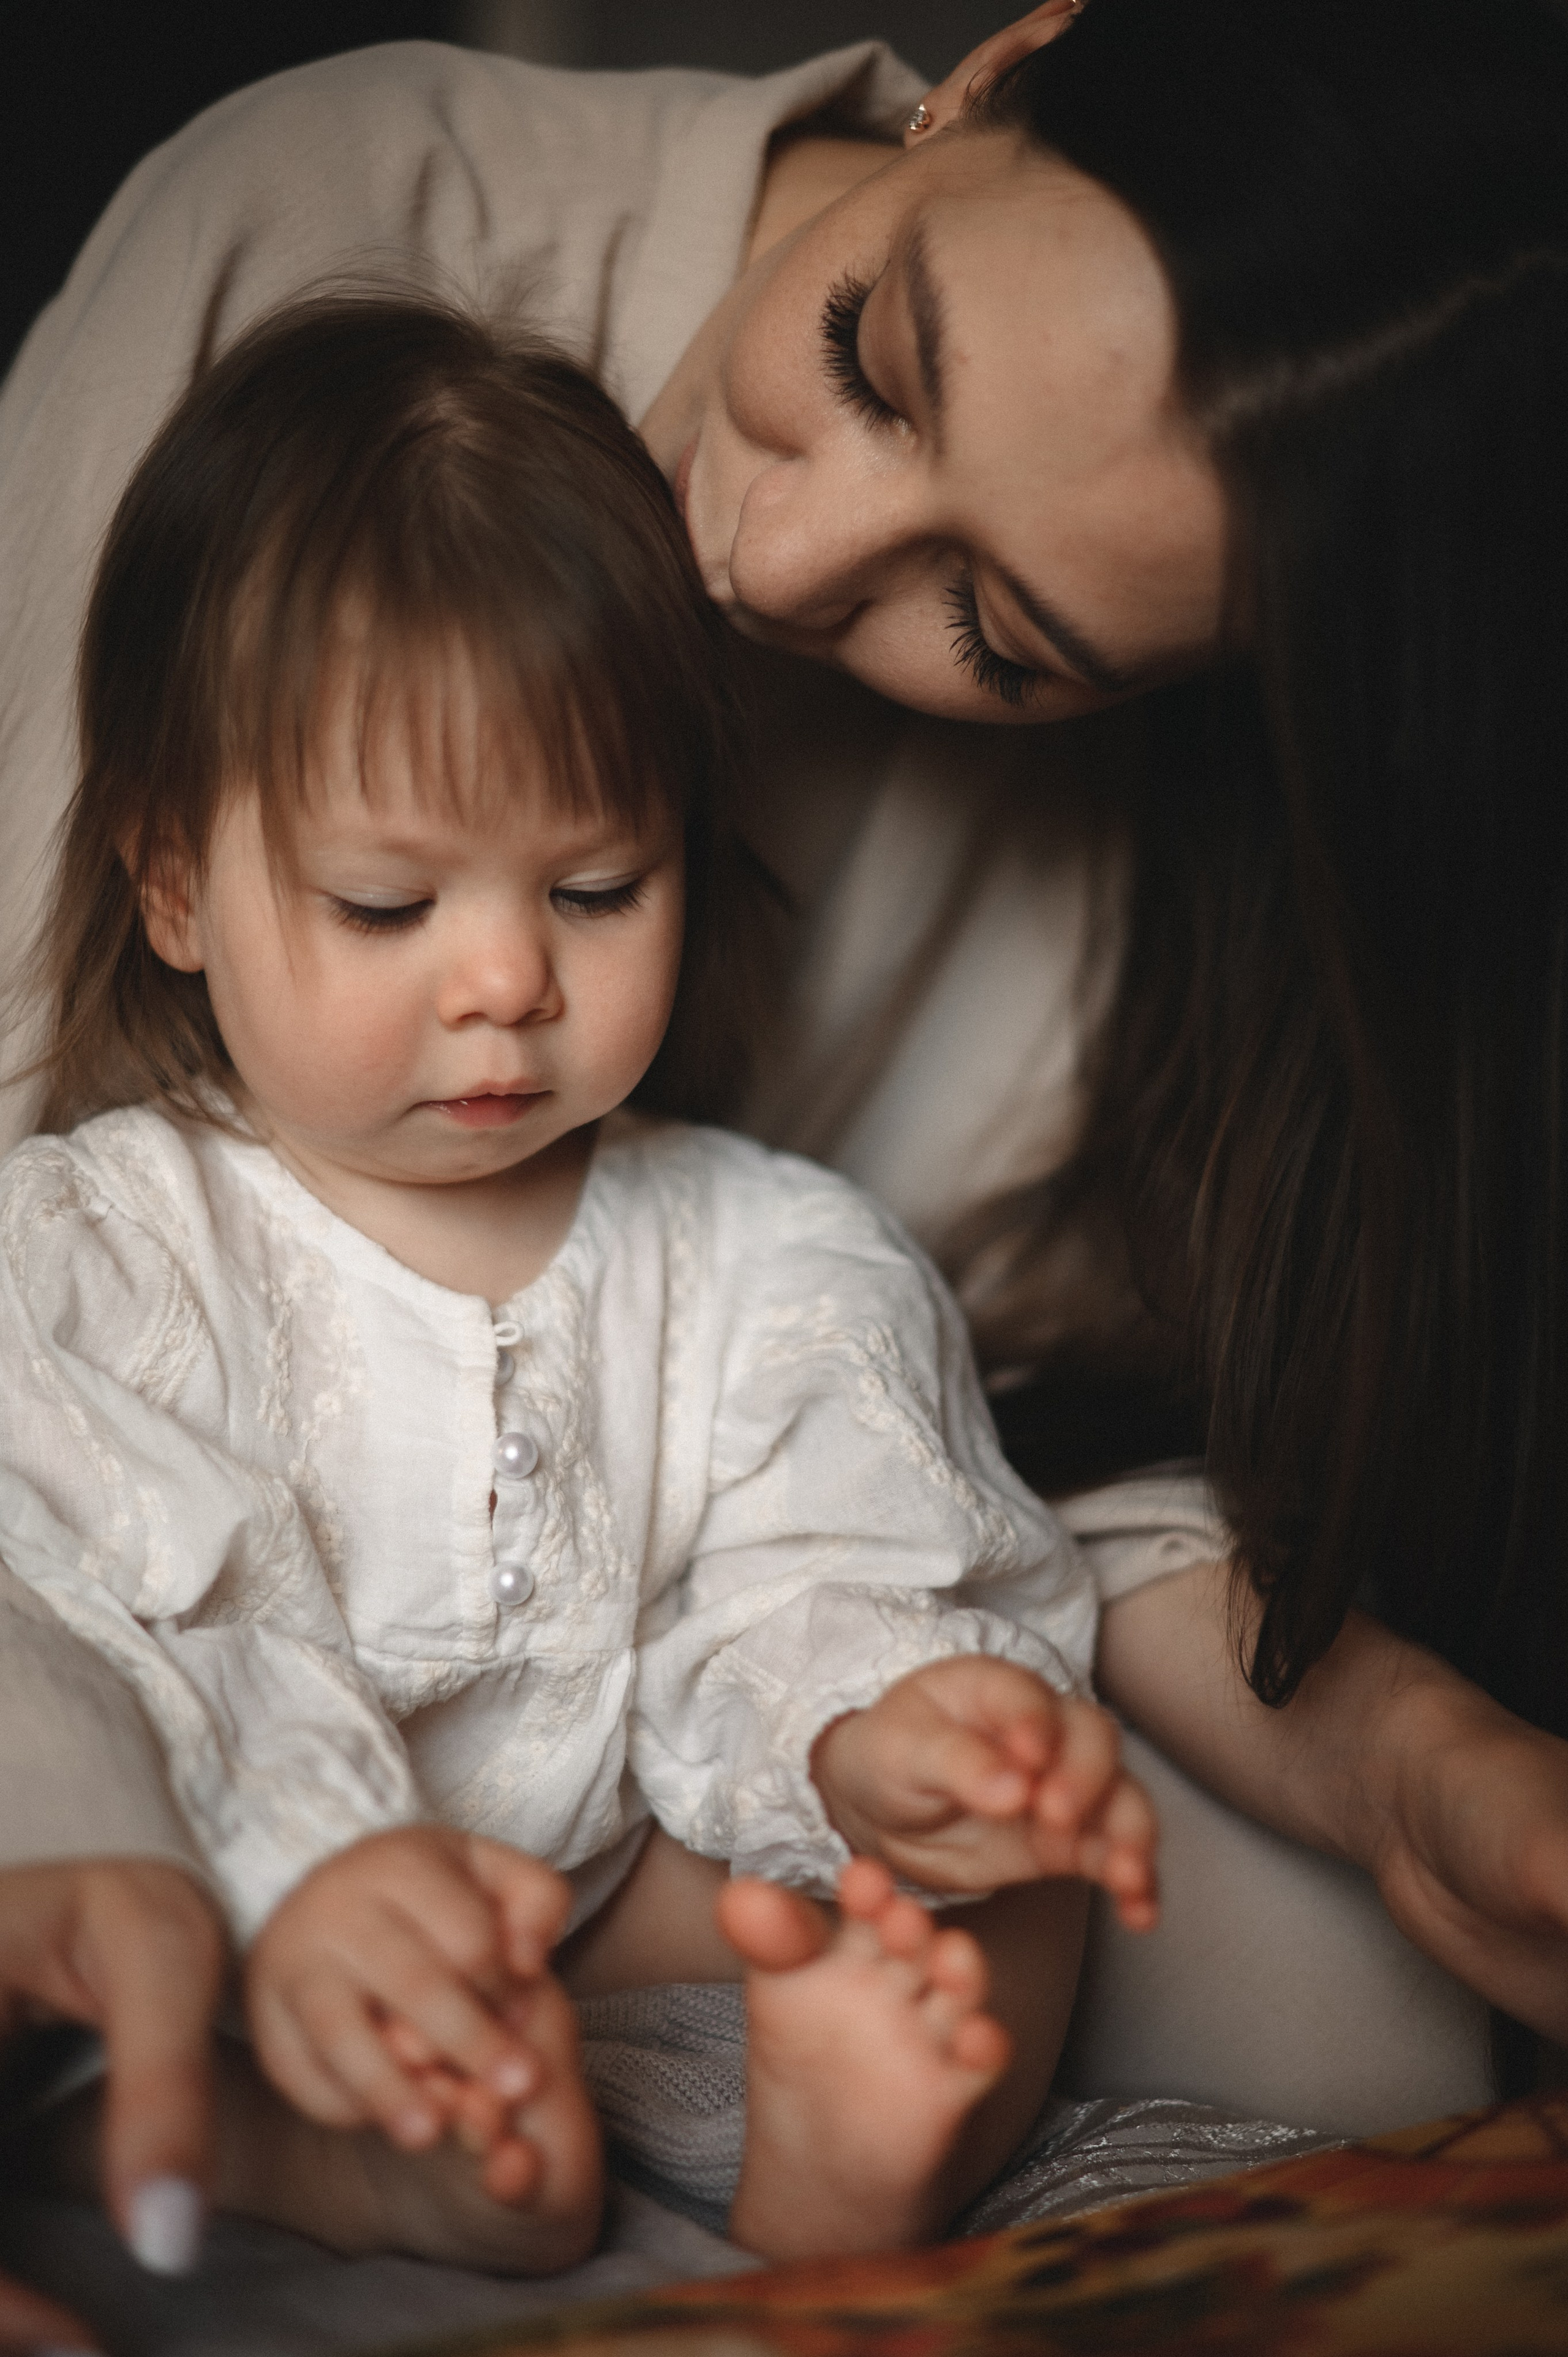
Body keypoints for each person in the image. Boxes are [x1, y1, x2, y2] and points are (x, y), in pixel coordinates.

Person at [1, 0, 1566, 2301]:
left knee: (1321, 1969)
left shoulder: (770, 1214)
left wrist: (925, 1747)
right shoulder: (340, 232)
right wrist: (216, 1849)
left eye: (999, 637)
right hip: (166, 1758)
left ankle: (788, 2160)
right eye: (874, 352)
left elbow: (925, 1476)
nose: (765, 548)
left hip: (638, 1800)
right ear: (996, 65)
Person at [6, 288, 1159, 2275]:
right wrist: (315, 1881)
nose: (506, 981)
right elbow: (113, 1619)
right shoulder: (101, 1250)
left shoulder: (759, 1253)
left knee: (1021, 1850)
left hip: (611, 1912)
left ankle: (848, 2166)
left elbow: (807, 1573)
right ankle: (352, 2145)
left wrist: (879, 1731)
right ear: (176, 880)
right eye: (390, 903)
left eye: (596, 888)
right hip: (242, 1904)